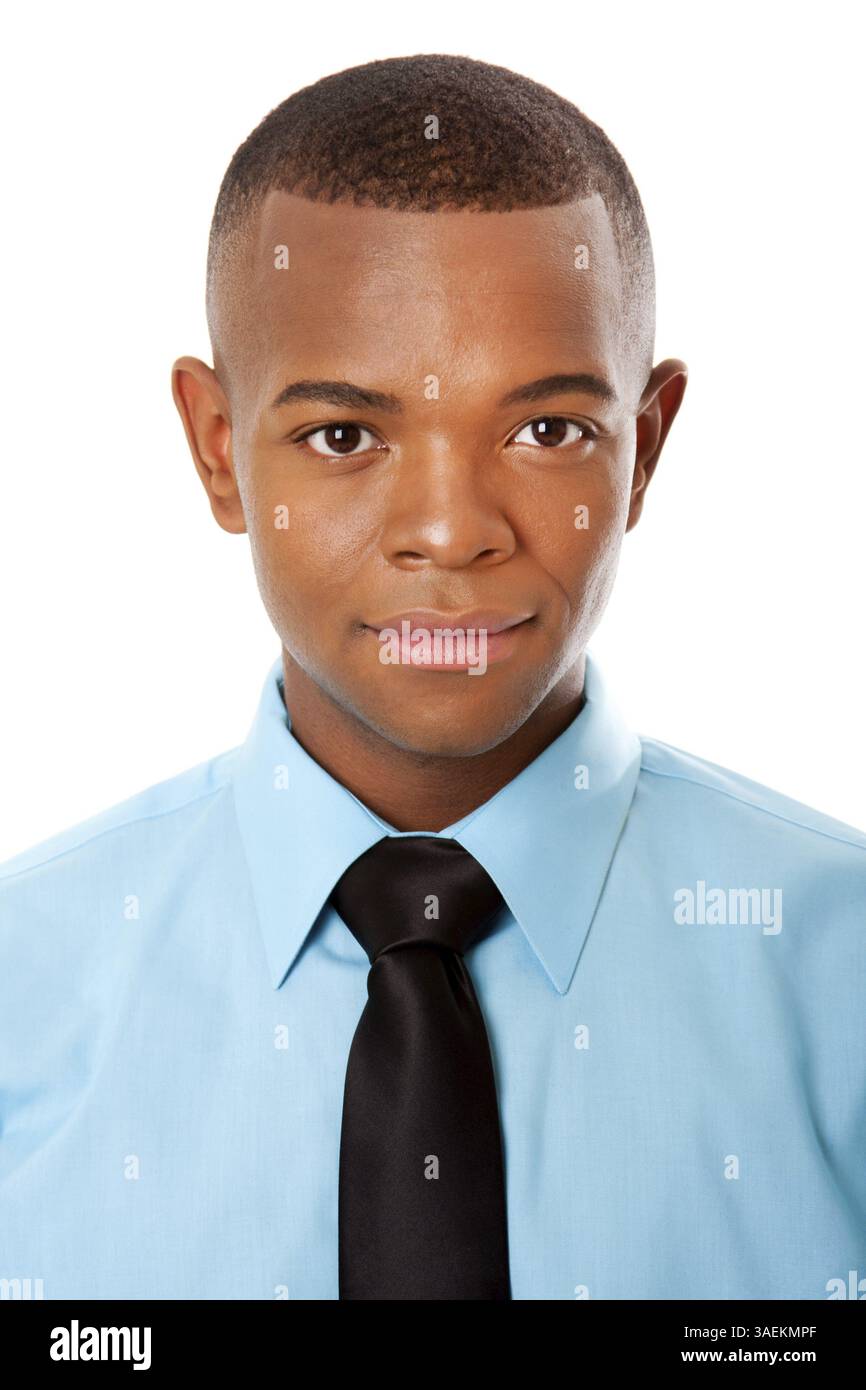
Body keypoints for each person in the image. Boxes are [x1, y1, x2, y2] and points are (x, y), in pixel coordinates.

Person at [1, 53, 864, 1302]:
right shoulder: (26, 987)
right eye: (343, 436)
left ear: (646, 445)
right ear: (217, 450)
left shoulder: (839, 977)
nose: (450, 531)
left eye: (546, 430)